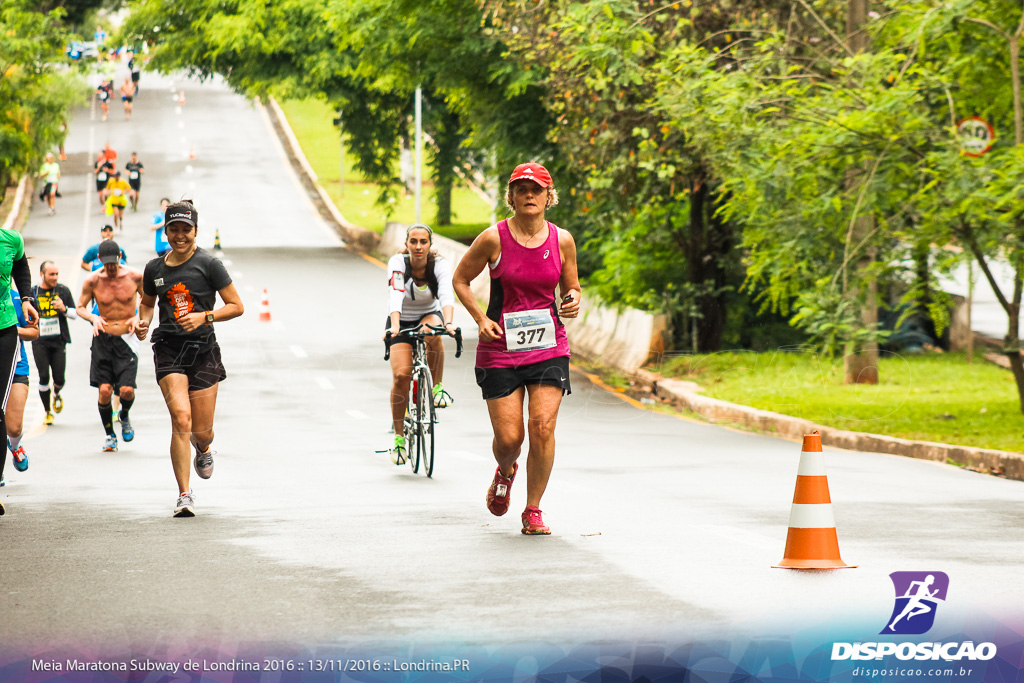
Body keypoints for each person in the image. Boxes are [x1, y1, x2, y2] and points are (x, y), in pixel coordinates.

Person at [452, 162, 581, 536]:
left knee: (542, 427)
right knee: (510, 441)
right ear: (510, 197)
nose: (529, 195)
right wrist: (479, 317)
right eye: (521, 189)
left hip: (548, 346)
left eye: (536, 189)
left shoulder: (562, 240)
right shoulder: (493, 238)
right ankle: (506, 470)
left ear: (548, 197)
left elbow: (571, 287)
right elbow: (461, 279)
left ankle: (533, 509)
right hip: (500, 348)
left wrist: (572, 299)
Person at [136, 200, 244, 517]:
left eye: (186, 229)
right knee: (180, 419)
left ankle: (204, 447)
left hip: (203, 350)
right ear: (166, 231)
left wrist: (204, 317)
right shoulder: (154, 269)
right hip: (168, 348)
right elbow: (146, 304)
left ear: (195, 231)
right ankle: (184, 494)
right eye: (174, 229)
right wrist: (142, 322)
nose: (180, 235)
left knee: (201, 431)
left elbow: (236, 306)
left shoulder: (209, 265)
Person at [383, 223, 457, 463]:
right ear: (406, 245)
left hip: (429, 315)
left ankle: (437, 388)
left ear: (429, 245)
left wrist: (450, 324)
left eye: (423, 242)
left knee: (432, 332)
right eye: (413, 242)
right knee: (401, 376)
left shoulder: (440, 265)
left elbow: (446, 294)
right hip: (401, 320)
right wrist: (394, 325)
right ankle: (398, 438)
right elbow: (395, 294)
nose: (418, 246)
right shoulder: (398, 263)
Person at [76, 241, 144, 452]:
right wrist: (92, 318)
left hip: (126, 338)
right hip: (103, 339)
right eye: (106, 265)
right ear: (100, 261)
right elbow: (80, 307)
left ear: (120, 257)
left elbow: (148, 299)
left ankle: (124, 415)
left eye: (113, 264)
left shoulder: (134, 276)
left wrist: (138, 317)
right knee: (105, 390)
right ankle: (109, 435)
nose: (111, 269)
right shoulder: (93, 280)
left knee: (127, 391)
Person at [0, 226, 40, 513]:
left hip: (4, 332)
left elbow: (21, 264)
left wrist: (26, 298)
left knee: (7, 421)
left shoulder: (10, 239)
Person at [32, 261, 77, 425]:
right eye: (52, 274)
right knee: (44, 376)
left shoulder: (63, 290)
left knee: (59, 379)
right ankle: (47, 412)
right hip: (39, 341)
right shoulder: (33, 292)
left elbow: (75, 313)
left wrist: (64, 309)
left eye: (57, 274)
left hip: (59, 341)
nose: (55, 278)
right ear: (42, 274)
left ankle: (56, 393)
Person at [3, 288, 39, 480]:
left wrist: (11, 330)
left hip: (16, 366)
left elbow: (34, 332)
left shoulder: (16, 297)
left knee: (13, 428)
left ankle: (15, 445)